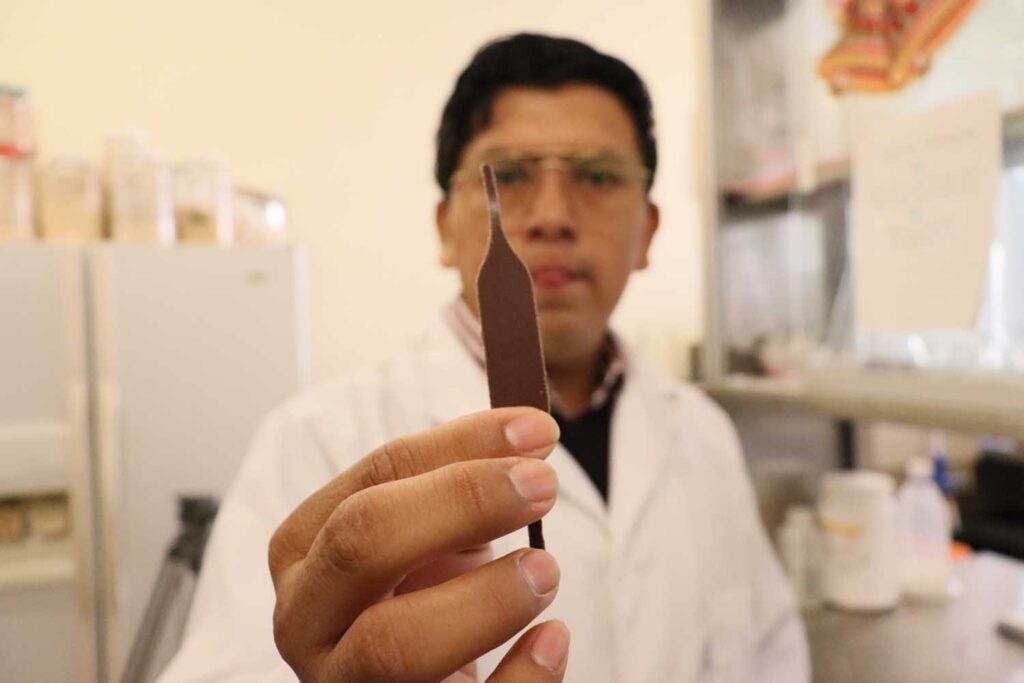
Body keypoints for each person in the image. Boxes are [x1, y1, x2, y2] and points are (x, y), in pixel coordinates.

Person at [158, 33, 810, 683]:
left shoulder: (704, 432)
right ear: (444, 226)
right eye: (511, 177)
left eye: (599, 177)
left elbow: (774, 654)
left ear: (649, 232)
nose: (552, 215)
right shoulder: (317, 441)